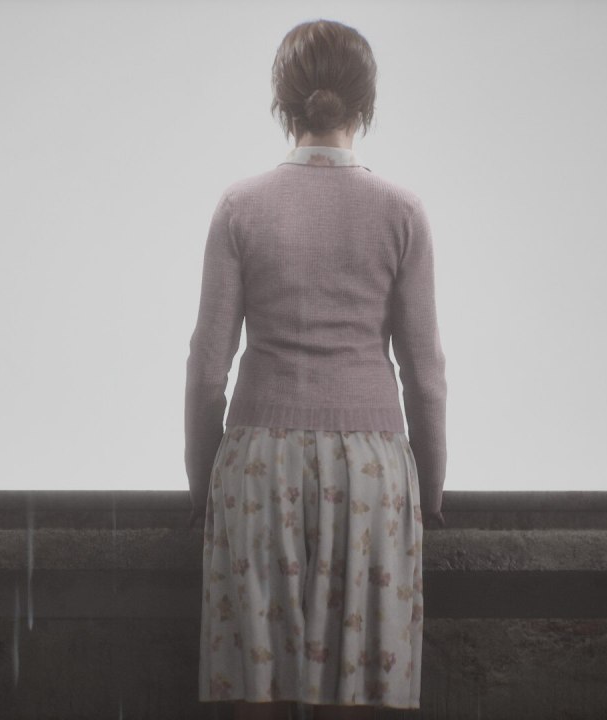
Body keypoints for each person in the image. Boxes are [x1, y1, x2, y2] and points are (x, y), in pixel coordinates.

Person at [185, 18, 448, 720]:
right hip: (370, 475)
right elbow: (425, 373)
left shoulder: (240, 207)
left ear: (283, 102)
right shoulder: (401, 212)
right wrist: (430, 489)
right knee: (359, 696)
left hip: (257, 468)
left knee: (257, 695)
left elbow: (207, 368)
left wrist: (202, 483)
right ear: (367, 104)